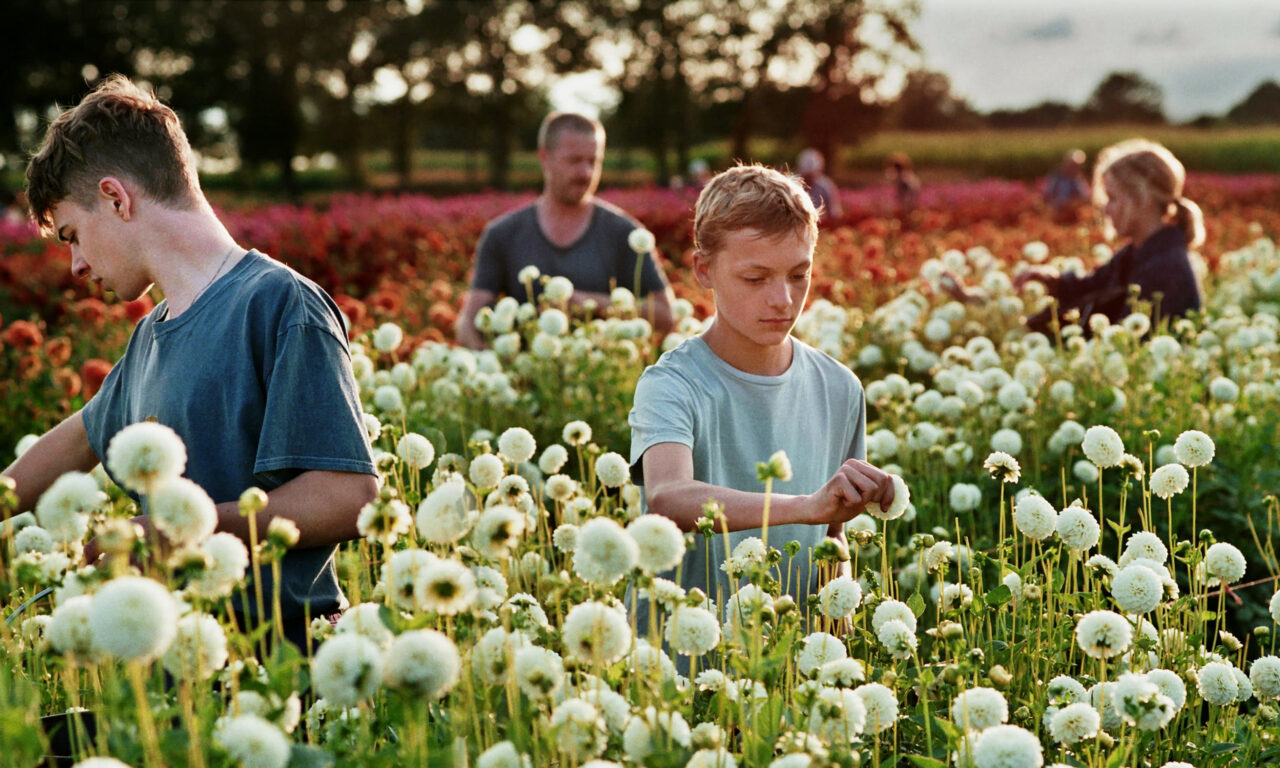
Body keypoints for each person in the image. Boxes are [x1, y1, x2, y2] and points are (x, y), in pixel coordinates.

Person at [4, 75, 378, 648]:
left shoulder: (278, 303)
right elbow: (77, 439)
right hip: (177, 669)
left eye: (74, 235)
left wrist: (179, 531)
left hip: (283, 662)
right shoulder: (150, 338)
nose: (76, 265)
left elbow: (346, 496)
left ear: (115, 197)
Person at [629, 164, 894, 622]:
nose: (783, 300)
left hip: (788, 669)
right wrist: (803, 507)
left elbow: (832, 535)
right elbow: (668, 495)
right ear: (703, 270)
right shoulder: (672, 383)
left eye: (798, 275)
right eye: (755, 278)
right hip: (679, 663)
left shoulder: (840, 387)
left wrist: (838, 629)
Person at [456, 112, 675, 349]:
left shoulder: (625, 233)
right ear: (544, 158)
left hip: (602, 376)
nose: (586, 173)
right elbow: (468, 322)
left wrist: (591, 303)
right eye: (574, 160)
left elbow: (665, 314)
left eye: (593, 161)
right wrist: (492, 364)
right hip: (527, 377)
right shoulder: (502, 234)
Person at [944, 138, 1204, 332]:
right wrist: (1051, 281)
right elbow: (1089, 288)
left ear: (1142, 199)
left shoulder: (1164, 269)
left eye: (1112, 198)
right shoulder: (1138, 254)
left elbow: (1125, 345)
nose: (1105, 208)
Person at [796, 147, 843, 223]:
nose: (808, 179)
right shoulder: (795, 186)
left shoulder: (826, 187)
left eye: (811, 176)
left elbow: (835, 214)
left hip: (822, 226)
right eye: (806, 176)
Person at [1044, 149, 1091, 221]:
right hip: (1057, 215)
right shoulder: (1056, 178)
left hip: (1074, 216)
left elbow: (1085, 197)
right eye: (1072, 164)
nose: (1075, 168)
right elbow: (1048, 196)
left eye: (1077, 166)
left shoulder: (1079, 180)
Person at [885, 152, 920, 217]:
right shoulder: (908, 175)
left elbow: (912, 190)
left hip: (907, 202)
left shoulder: (904, 177)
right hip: (908, 201)